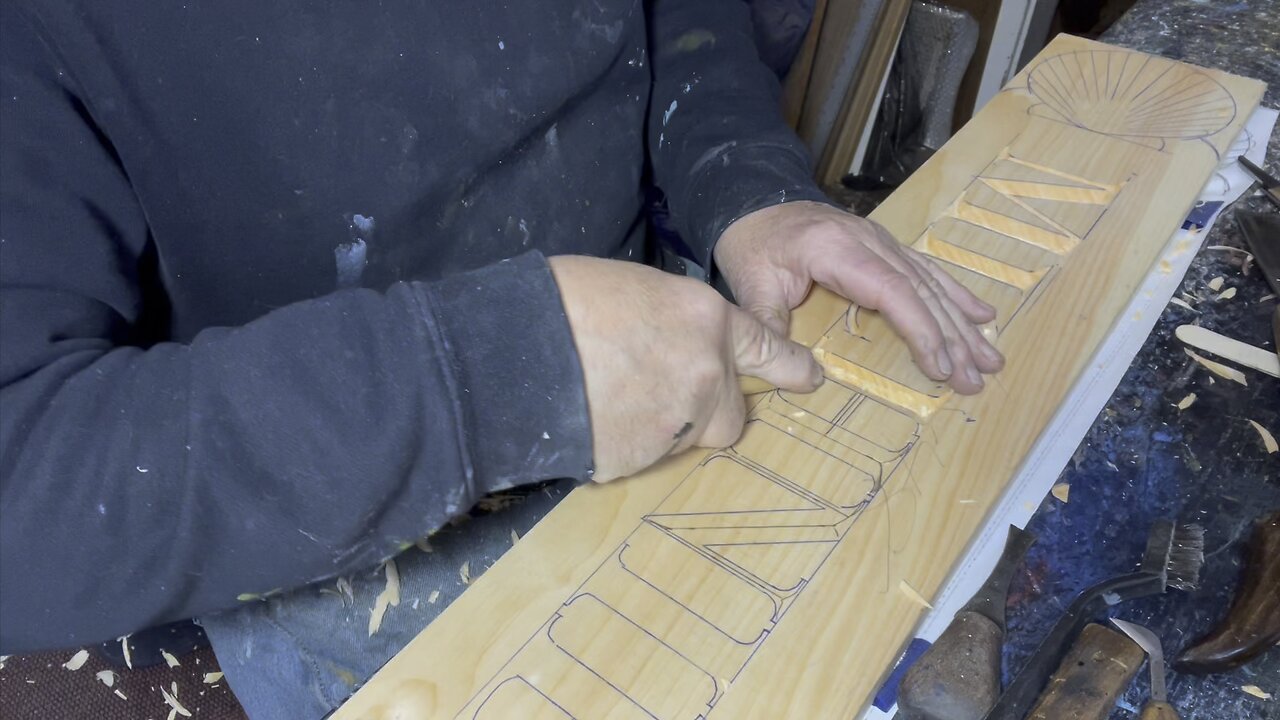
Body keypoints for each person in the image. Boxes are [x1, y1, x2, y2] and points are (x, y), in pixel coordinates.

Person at [0, 0, 1003, 715]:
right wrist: (495, 374)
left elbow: (678, 27)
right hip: (336, 536)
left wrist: (744, 180)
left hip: (653, 392)